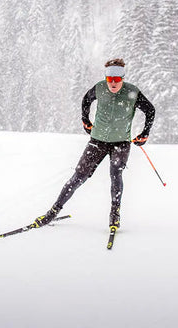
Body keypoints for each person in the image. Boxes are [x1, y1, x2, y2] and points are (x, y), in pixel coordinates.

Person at [32, 58, 155, 229]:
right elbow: (86, 100)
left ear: (123, 78)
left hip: (121, 143)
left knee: (115, 175)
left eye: (117, 79)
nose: (113, 83)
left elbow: (150, 110)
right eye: (110, 79)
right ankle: (52, 212)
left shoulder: (132, 92)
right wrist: (85, 121)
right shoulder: (99, 88)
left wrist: (145, 134)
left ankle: (114, 216)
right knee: (78, 177)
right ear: (106, 78)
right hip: (97, 141)